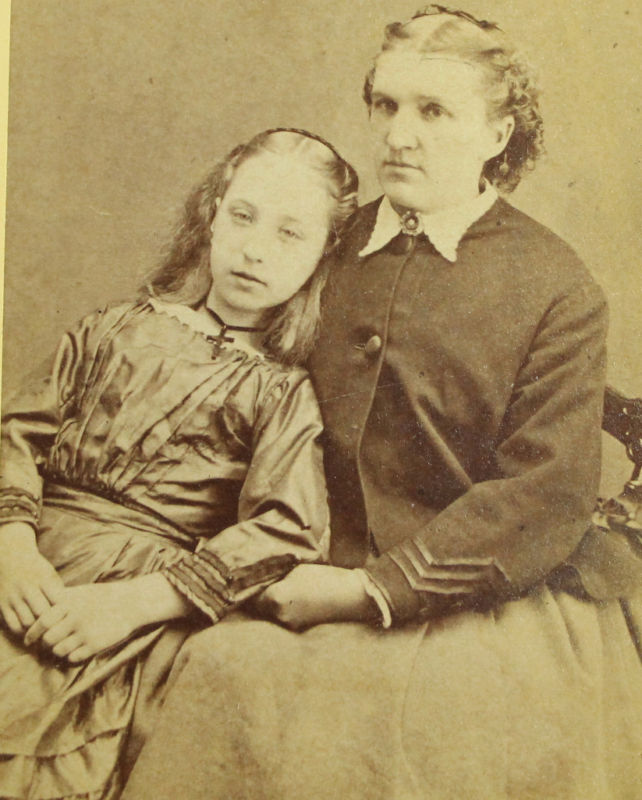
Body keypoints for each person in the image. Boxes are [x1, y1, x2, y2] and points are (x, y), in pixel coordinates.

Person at [121, 7, 642, 800]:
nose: (399, 135)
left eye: (434, 112)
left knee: (403, 726)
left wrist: (370, 589)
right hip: (292, 563)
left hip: (484, 595)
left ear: (497, 135)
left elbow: (545, 492)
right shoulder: (320, 241)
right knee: (209, 677)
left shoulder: (556, 285)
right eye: (386, 105)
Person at [0, 127, 358, 799]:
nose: (255, 249)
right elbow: (16, 434)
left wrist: (135, 604)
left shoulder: (283, 391)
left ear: (323, 253)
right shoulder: (114, 327)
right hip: (26, 555)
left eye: (290, 234)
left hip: (119, 597)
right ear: (213, 214)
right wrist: (12, 547)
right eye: (243, 216)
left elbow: (286, 529)